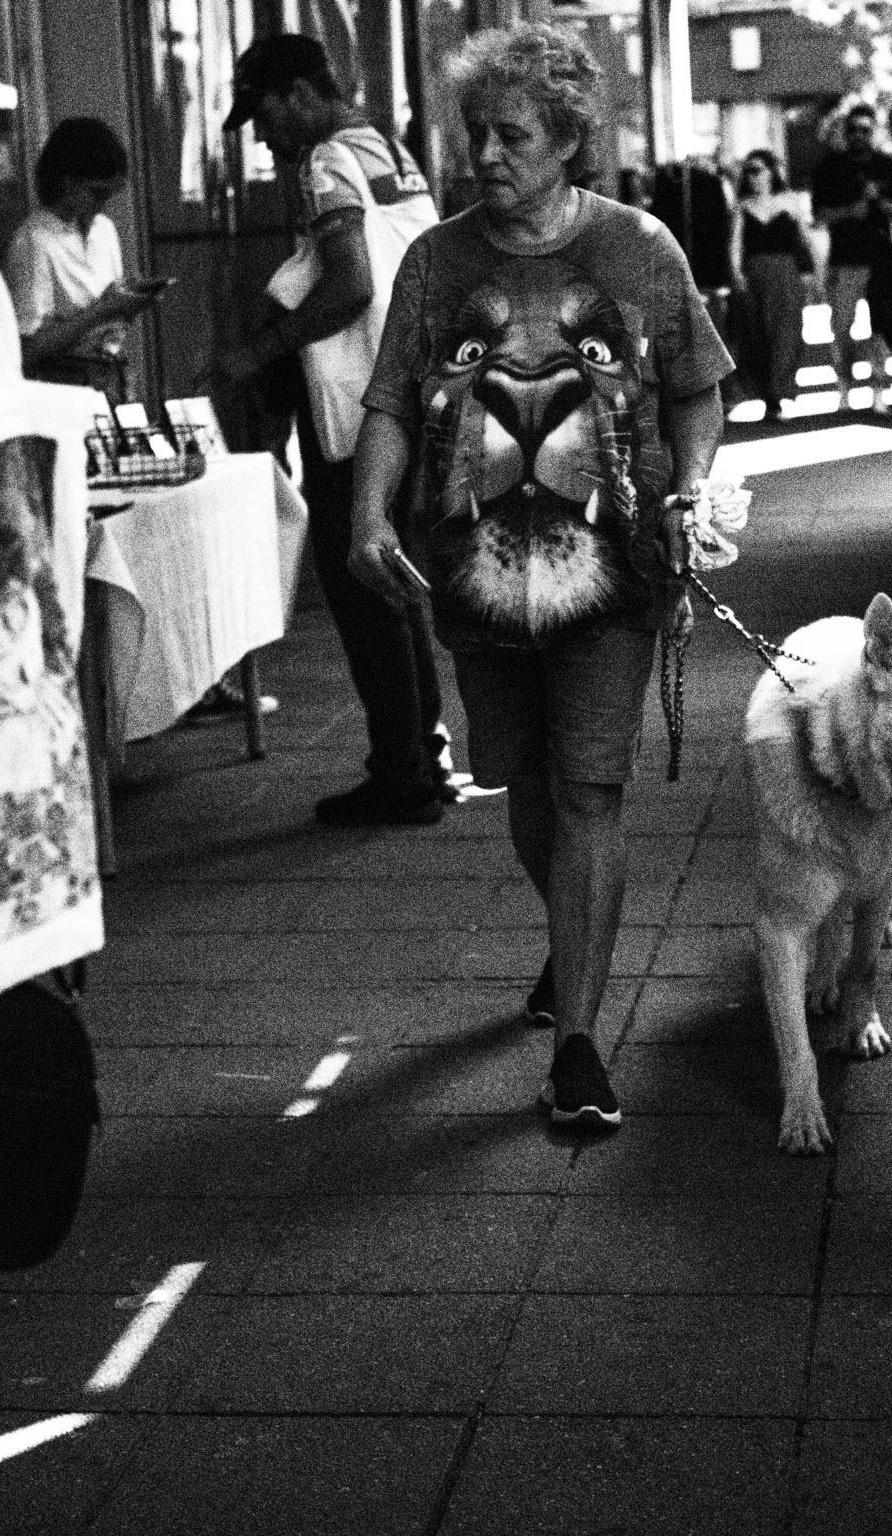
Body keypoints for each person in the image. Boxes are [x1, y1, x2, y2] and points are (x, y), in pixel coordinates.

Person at [348, 21, 731, 1125]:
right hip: (470, 569)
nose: (484, 155)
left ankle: (577, 1043)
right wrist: (367, 511)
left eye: (509, 134)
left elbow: (696, 387)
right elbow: (387, 401)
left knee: (587, 788)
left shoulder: (641, 248)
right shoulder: (435, 259)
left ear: (567, 137)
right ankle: (573, 938)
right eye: (474, 132)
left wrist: (689, 486)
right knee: (520, 781)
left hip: (613, 567)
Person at [213, 33, 453, 827]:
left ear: (297, 96)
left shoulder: (326, 163)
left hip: (354, 404)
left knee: (362, 588)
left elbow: (350, 283)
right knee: (395, 581)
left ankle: (402, 772)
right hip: (411, 392)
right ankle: (423, 754)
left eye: (266, 113)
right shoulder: (390, 147)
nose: (264, 134)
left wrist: (260, 350)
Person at [3, 116, 156, 396]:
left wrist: (126, 305)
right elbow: (30, 348)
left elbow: (110, 314)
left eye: (110, 194)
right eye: (97, 193)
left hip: (110, 377)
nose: (103, 204)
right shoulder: (34, 240)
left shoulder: (103, 230)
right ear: (67, 182)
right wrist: (102, 310)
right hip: (64, 387)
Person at [810, 102, 892, 415]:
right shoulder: (829, 167)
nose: (859, 136)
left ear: (873, 131)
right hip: (845, 258)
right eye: (853, 130)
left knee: (880, 326)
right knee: (841, 326)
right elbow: (819, 215)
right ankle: (843, 388)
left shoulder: (886, 165)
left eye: (866, 129)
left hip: (880, 258)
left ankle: (879, 389)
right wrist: (850, 211)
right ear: (845, 132)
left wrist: (879, 200)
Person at [730, 148, 814, 419]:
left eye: (757, 169)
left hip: (786, 272)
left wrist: (813, 272)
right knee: (757, 335)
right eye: (748, 171)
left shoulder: (789, 202)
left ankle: (781, 390)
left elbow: (805, 240)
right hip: (755, 274)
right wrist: (737, 274)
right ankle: (769, 396)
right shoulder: (742, 206)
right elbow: (735, 245)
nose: (752, 176)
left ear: (771, 172)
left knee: (787, 332)